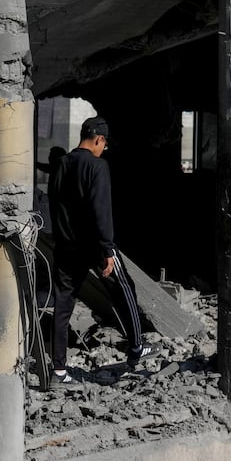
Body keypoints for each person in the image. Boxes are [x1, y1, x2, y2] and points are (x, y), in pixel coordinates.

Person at [46, 116, 152, 385]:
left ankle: (58, 371)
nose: (104, 149)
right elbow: (101, 210)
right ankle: (137, 348)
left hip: (66, 247)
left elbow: (55, 205)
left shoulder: (60, 165)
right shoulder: (97, 166)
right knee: (124, 288)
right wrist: (106, 249)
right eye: (104, 144)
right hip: (93, 246)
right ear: (99, 140)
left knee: (62, 306)